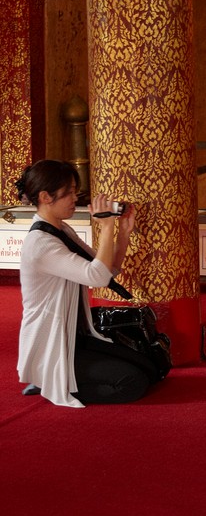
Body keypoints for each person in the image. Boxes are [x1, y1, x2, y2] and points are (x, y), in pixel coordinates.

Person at [16, 159, 151, 407]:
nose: (74, 199)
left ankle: (59, 380)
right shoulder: (41, 244)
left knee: (149, 365)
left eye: (73, 192)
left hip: (73, 336)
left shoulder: (61, 230)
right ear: (46, 197)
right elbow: (97, 276)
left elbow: (105, 271)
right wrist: (107, 225)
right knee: (132, 383)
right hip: (52, 345)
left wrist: (122, 234)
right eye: (68, 193)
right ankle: (50, 382)